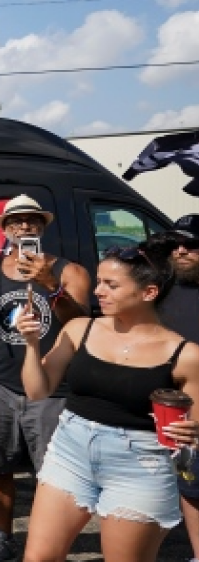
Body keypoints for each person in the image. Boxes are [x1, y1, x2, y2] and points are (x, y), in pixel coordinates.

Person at [18, 243, 199, 561]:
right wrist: (31, 344)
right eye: (99, 281)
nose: (98, 291)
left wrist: (191, 432)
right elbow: (37, 391)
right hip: (69, 451)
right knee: (38, 558)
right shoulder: (79, 329)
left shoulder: (186, 355)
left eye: (111, 285)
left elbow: (194, 429)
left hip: (141, 465)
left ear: (149, 292)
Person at [0, 195, 91, 562]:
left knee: (53, 475)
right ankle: (3, 539)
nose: (24, 227)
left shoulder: (70, 272)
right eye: (16, 222)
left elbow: (80, 326)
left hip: (51, 388)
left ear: (42, 227)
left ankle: (48, 544)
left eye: (32, 221)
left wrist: (52, 286)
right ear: (4, 229)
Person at [147, 216, 199, 562]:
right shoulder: (160, 284)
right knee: (182, 477)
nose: (181, 251)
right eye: (174, 245)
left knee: (195, 478)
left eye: (192, 245)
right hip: (163, 396)